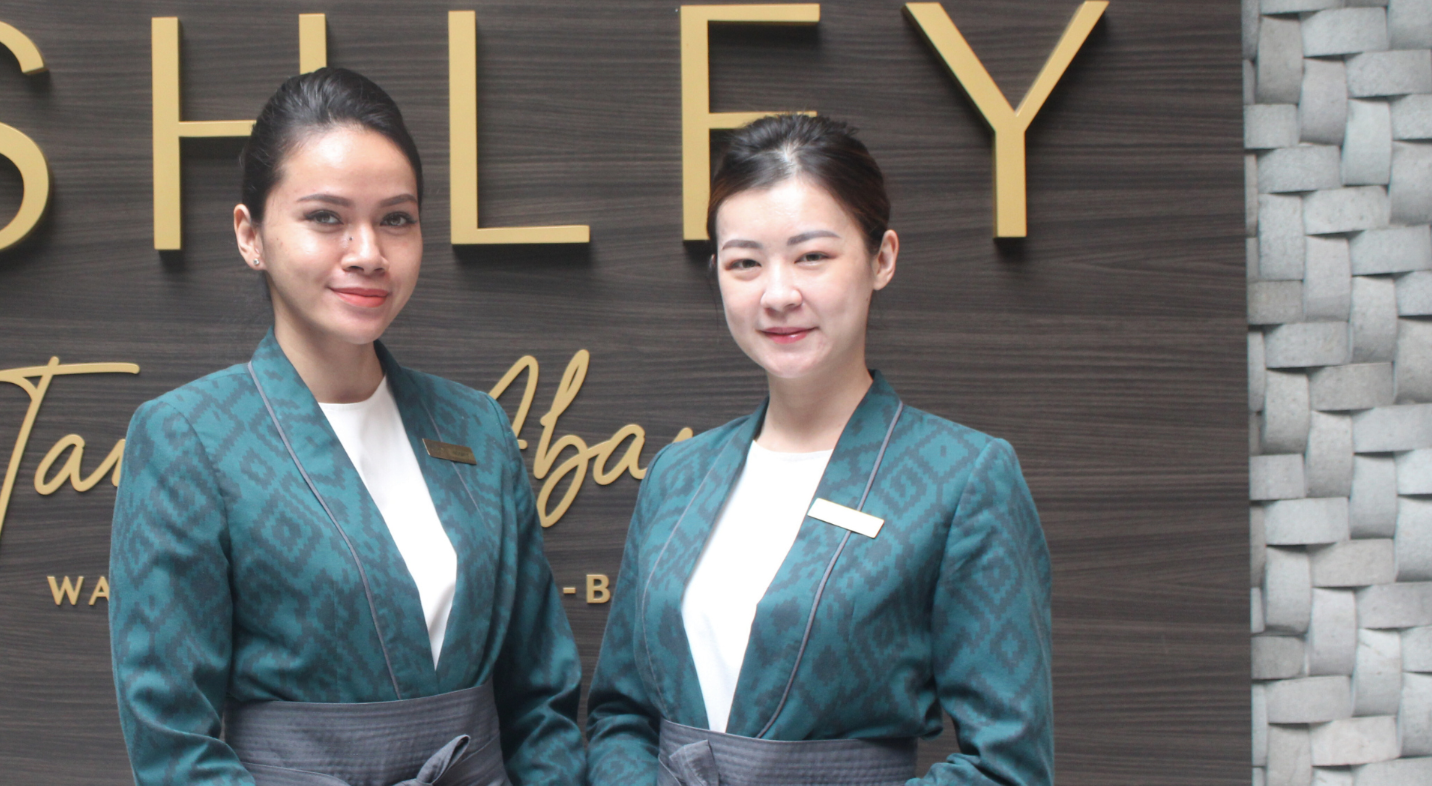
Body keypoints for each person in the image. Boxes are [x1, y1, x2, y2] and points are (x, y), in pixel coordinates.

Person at [109, 67, 584, 786]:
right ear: (251, 234)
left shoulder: (477, 427)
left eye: (396, 218)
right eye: (326, 218)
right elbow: (173, 743)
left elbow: (541, 698)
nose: (368, 252)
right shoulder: (187, 438)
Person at [585, 114, 1053, 786]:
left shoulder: (966, 478)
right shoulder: (677, 475)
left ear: (882, 258)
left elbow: (1008, 767)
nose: (778, 294)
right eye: (746, 262)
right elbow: (621, 715)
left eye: (812, 256)